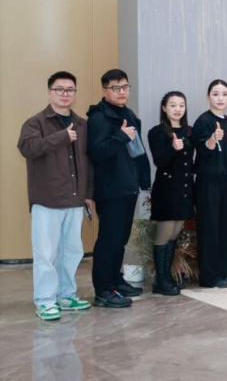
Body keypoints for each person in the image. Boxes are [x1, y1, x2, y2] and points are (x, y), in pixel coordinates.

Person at [17, 71, 94, 321]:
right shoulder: (35, 122)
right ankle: (45, 300)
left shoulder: (81, 124)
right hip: (47, 199)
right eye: (59, 89)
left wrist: (88, 193)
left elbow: (87, 162)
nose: (65, 94)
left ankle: (66, 294)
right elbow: (27, 148)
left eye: (70, 90)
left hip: (75, 199)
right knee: (46, 254)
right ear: (49, 92)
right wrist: (61, 137)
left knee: (72, 251)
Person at [86, 68, 151, 308]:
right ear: (105, 90)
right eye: (116, 88)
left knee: (120, 239)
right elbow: (95, 152)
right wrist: (120, 137)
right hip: (111, 188)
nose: (122, 92)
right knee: (109, 240)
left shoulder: (127, 114)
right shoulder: (99, 117)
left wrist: (144, 180)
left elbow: (137, 151)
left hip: (128, 185)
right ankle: (103, 290)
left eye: (125, 87)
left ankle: (115, 280)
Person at [193, 80, 227, 289]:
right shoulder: (203, 121)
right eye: (215, 94)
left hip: (226, 181)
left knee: (224, 227)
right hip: (208, 182)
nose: (220, 98)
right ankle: (209, 276)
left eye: (224, 94)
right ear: (208, 96)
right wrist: (212, 139)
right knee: (209, 228)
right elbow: (202, 148)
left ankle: (222, 271)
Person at [147, 91, 194, 296]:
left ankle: (167, 276)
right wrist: (173, 148)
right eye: (173, 105)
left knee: (175, 233)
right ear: (164, 108)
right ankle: (160, 280)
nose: (177, 109)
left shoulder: (189, 131)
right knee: (164, 233)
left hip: (185, 188)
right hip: (166, 189)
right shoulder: (157, 132)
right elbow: (159, 161)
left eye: (181, 105)